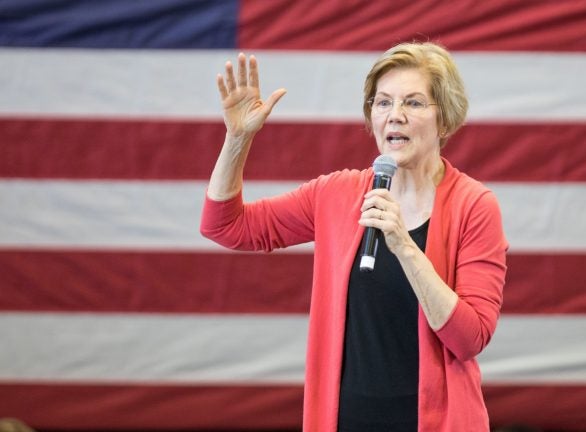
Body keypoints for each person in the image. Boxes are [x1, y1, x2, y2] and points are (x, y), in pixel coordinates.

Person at [200, 41, 508, 431]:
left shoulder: (474, 206)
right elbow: (226, 226)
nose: (394, 116)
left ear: (444, 120)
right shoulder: (337, 193)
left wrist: (405, 247)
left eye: (413, 103)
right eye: (383, 103)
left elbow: (470, 338)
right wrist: (237, 139)